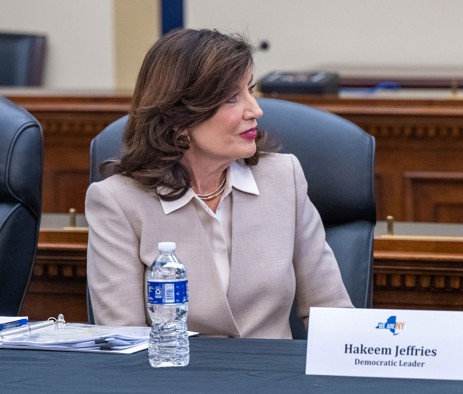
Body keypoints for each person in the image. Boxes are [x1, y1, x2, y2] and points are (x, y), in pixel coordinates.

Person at [86, 28, 353, 339]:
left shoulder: (284, 178)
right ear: (179, 117)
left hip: (275, 382)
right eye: (231, 98)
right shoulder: (118, 201)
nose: (256, 110)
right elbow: (123, 342)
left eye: (250, 90)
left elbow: (331, 312)